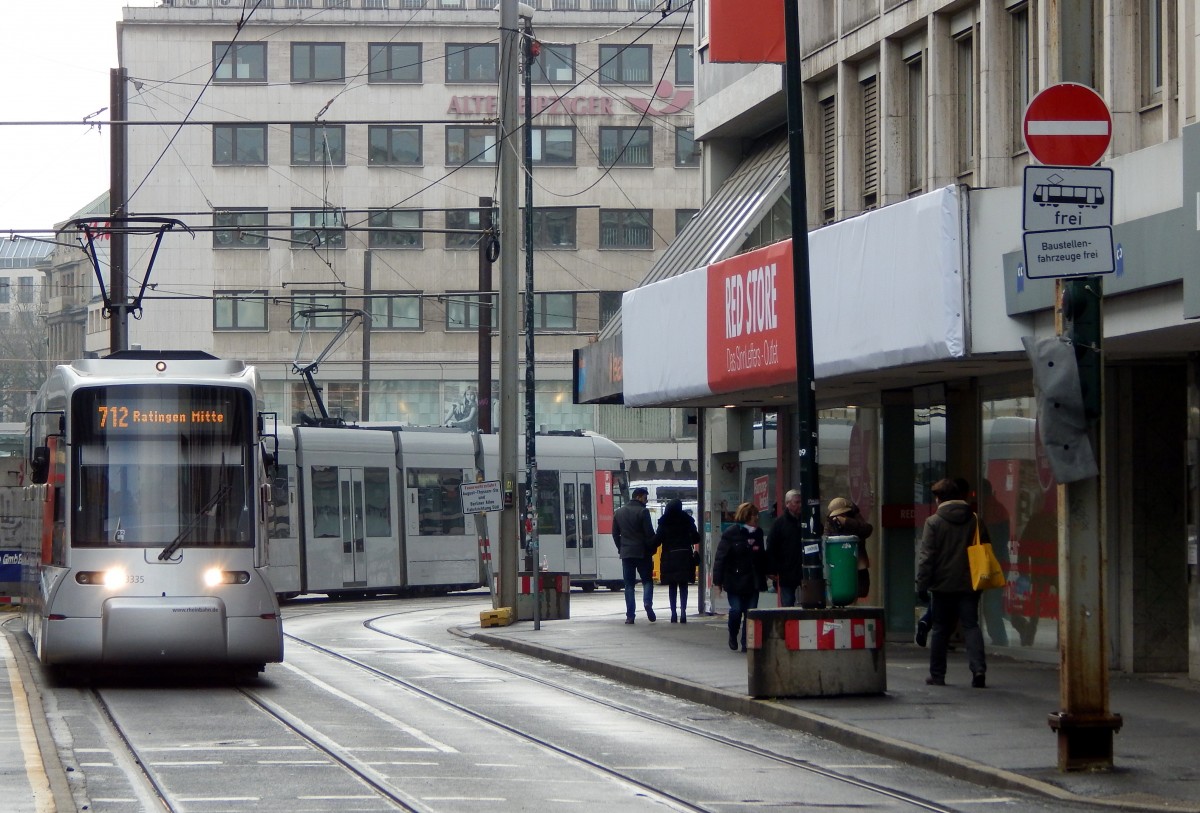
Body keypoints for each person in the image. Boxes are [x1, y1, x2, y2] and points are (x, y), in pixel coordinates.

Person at [916, 478, 988, 687]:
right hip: (969, 583)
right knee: (971, 626)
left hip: (942, 584)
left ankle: (938, 675)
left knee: (940, 629)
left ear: (939, 498)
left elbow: (927, 556)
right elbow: (986, 547)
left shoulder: (934, 522)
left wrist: (922, 584)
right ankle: (979, 670)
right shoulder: (975, 520)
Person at [713, 502, 768, 652]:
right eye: (754, 515)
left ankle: (746, 642)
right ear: (747, 516)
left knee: (750, 613)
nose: (757, 518)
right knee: (736, 610)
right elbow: (720, 558)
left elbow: (762, 556)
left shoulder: (758, 533)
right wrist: (717, 582)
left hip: (752, 580)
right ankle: (733, 633)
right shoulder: (731, 533)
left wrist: (769, 572)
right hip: (734, 579)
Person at [613, 486, 658, 624]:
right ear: (638, 497)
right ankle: (647, 603)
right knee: (647, 580)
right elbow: (649, 534)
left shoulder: (619, 512)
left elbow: (615, 534)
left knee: (629, 585)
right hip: (642, 552)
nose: (646, 501)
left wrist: (621, 548)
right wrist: (652, 548)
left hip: (626, 553)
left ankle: (630, 616)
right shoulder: (643, 512)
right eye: (645, 498)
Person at [653, 498, 700, 623]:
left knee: (672, 585)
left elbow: (657, 540)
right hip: (685, 555)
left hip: (670, 557)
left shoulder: (664, 521)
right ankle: (683, 612)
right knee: (683, 585)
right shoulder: (687, 520)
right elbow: (696, 538)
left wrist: (647, 546)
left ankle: (673, 613)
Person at [979, 479, 1011, 646]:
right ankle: (998, 638)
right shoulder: (998, 508)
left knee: (991, 604)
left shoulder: (988, 509)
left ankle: (999, 639)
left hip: (992, 561)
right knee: (992, 603)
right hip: (999, 560)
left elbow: (992, 540)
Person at [825, 496, 873, 601]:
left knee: (860, 589)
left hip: (857, 559)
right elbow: (827, 537)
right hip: (839, 562)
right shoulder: (830, 522)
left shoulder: (855, 518)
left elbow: (867, 530)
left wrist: (847, 522)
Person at [765, 489, 805, 606]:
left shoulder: (806, 520)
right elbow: (771, 546)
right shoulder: (779, 523)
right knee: (788, 603)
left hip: (805, 569)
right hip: (786, 570)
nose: (800, 505)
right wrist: (771, 570)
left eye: (801, 502)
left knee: (809, 602)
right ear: (787, 504)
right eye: (796, 502)